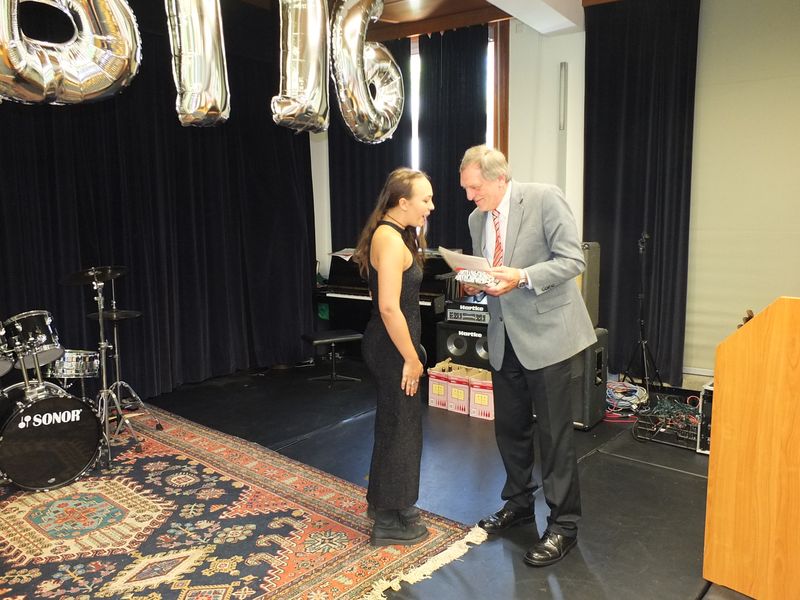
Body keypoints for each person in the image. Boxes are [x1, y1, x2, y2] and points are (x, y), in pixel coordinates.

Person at [459, 145, 596, 567]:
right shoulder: (476, 219)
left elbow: (572, 260)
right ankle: (518, 504)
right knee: (511, 430)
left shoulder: (543, 198)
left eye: (475, 187)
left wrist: (522, 277)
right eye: (466, 189)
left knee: (554, 436)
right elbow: (490, 273)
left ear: (500, 177)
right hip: (504, 339)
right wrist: (474, 283)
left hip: (547, 337)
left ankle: (563, 526)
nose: (470, 197)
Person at [352, 167, 435, 546]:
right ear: (403, 202)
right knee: (400, 429)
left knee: (397, 425)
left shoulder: (392, 234)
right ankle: (387, 520)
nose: (430, 207)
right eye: (425, 200)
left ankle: (388, 503)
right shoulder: (388, 239)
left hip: (393, 345)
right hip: (391, 348)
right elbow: (388, 307)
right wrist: (411, 358)